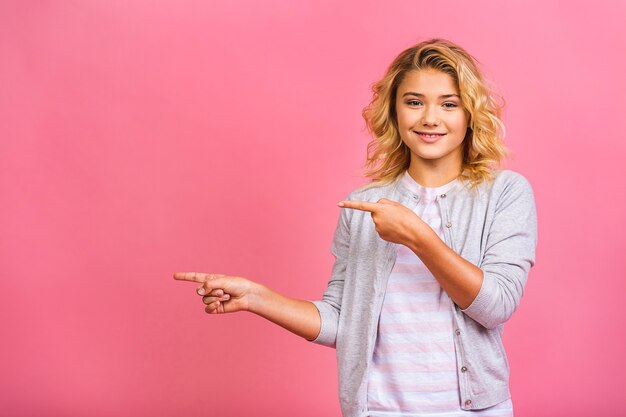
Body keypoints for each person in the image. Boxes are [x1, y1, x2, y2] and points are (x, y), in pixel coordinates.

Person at [174, 38, 537, 417]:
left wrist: (417, 236)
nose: (430, 117)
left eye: (449, 104)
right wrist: (258, 298)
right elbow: (343, 322)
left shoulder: (505, 193)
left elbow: (495, 306)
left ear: (471, 114)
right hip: (377, 409)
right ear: (394, 112)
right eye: (414, 102)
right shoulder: (363, 204)